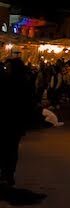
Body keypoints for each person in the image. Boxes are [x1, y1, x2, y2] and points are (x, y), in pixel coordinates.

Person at [0, 56, 36, 186]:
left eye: (8, 67)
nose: (6, 69)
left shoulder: (10, 82)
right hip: (14, 121)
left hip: (10, 120)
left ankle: (7, 173)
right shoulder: (24, 82)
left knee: (8, 148)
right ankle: (7, 174)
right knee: (10, 148)